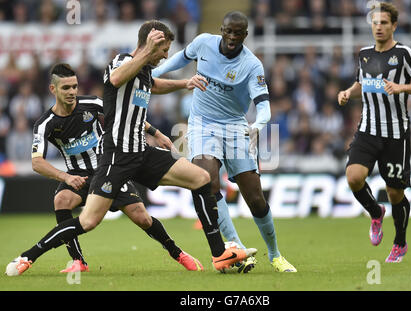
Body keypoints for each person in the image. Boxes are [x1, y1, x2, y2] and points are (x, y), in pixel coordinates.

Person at [6, 20, 256, 276]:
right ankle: (28, 256)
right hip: (117, 156)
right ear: (150, 43)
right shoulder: (121, 61)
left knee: (202, 179)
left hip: (142, 152)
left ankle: (219, 254)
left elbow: (153, 85)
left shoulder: (145, 71)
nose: (166, 55)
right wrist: (148, 51)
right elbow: (116, 78)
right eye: (163, 49)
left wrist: (184, 84)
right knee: (88, 221)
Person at [152, 11, 296, 272]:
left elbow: (263, 106)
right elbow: (180, 58)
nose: (232, 37)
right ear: (221, 29)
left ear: (245, 35)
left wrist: (258, 125)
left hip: (235, 126)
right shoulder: (203, 43)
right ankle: (236, 249)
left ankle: (275, 254)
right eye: (228, 31)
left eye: (238, 33)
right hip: (202, 124)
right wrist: (156, 71)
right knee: (208, 182)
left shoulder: (251, 65)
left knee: (255, 198)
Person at [30, 63, 203, 273]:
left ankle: (177, 253)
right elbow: (37, 162)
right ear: (53, 89)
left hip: (108, 168)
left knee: (142, 217)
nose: (72, 92)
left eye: (74, 86)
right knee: (62, 200)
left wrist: (156, 133)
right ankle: (78, 261)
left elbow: (126, 116)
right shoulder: (44, 123)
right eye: (66, 88)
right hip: (77, 176)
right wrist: (65, 177)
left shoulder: (92, 103)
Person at [337, 2, 411, 263]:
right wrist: (348, 92)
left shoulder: (405, 54)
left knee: (395, 193)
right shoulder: (364, 53)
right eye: (375, 22)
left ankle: (400, 242)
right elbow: (362, 83)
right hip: (368, 129)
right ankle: (375, 212)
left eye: (383, 23)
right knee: (354, 177)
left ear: (394, 25)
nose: (378, 27)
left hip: (395, 133)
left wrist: (402, 88)